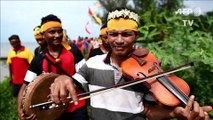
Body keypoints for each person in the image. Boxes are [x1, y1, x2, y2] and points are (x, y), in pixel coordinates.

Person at [50, 8, 212, 120]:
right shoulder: (92, 63)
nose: (119, 40)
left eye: (126, 34)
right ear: (107, 36)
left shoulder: (147, 69)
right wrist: (62, 79)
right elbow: (71, 82)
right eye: (113, 34)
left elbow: (149, 111)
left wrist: (173, 113)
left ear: (136, 36)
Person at [17, 14, 89, 120]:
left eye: (59, 31)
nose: (57, 35)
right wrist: (20, 108)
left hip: (76, 105)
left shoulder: (73, 51)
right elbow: (25, 85)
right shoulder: (38, 58)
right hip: (53, 110)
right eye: (52, 32)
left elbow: (85, 73)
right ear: (43, 34)